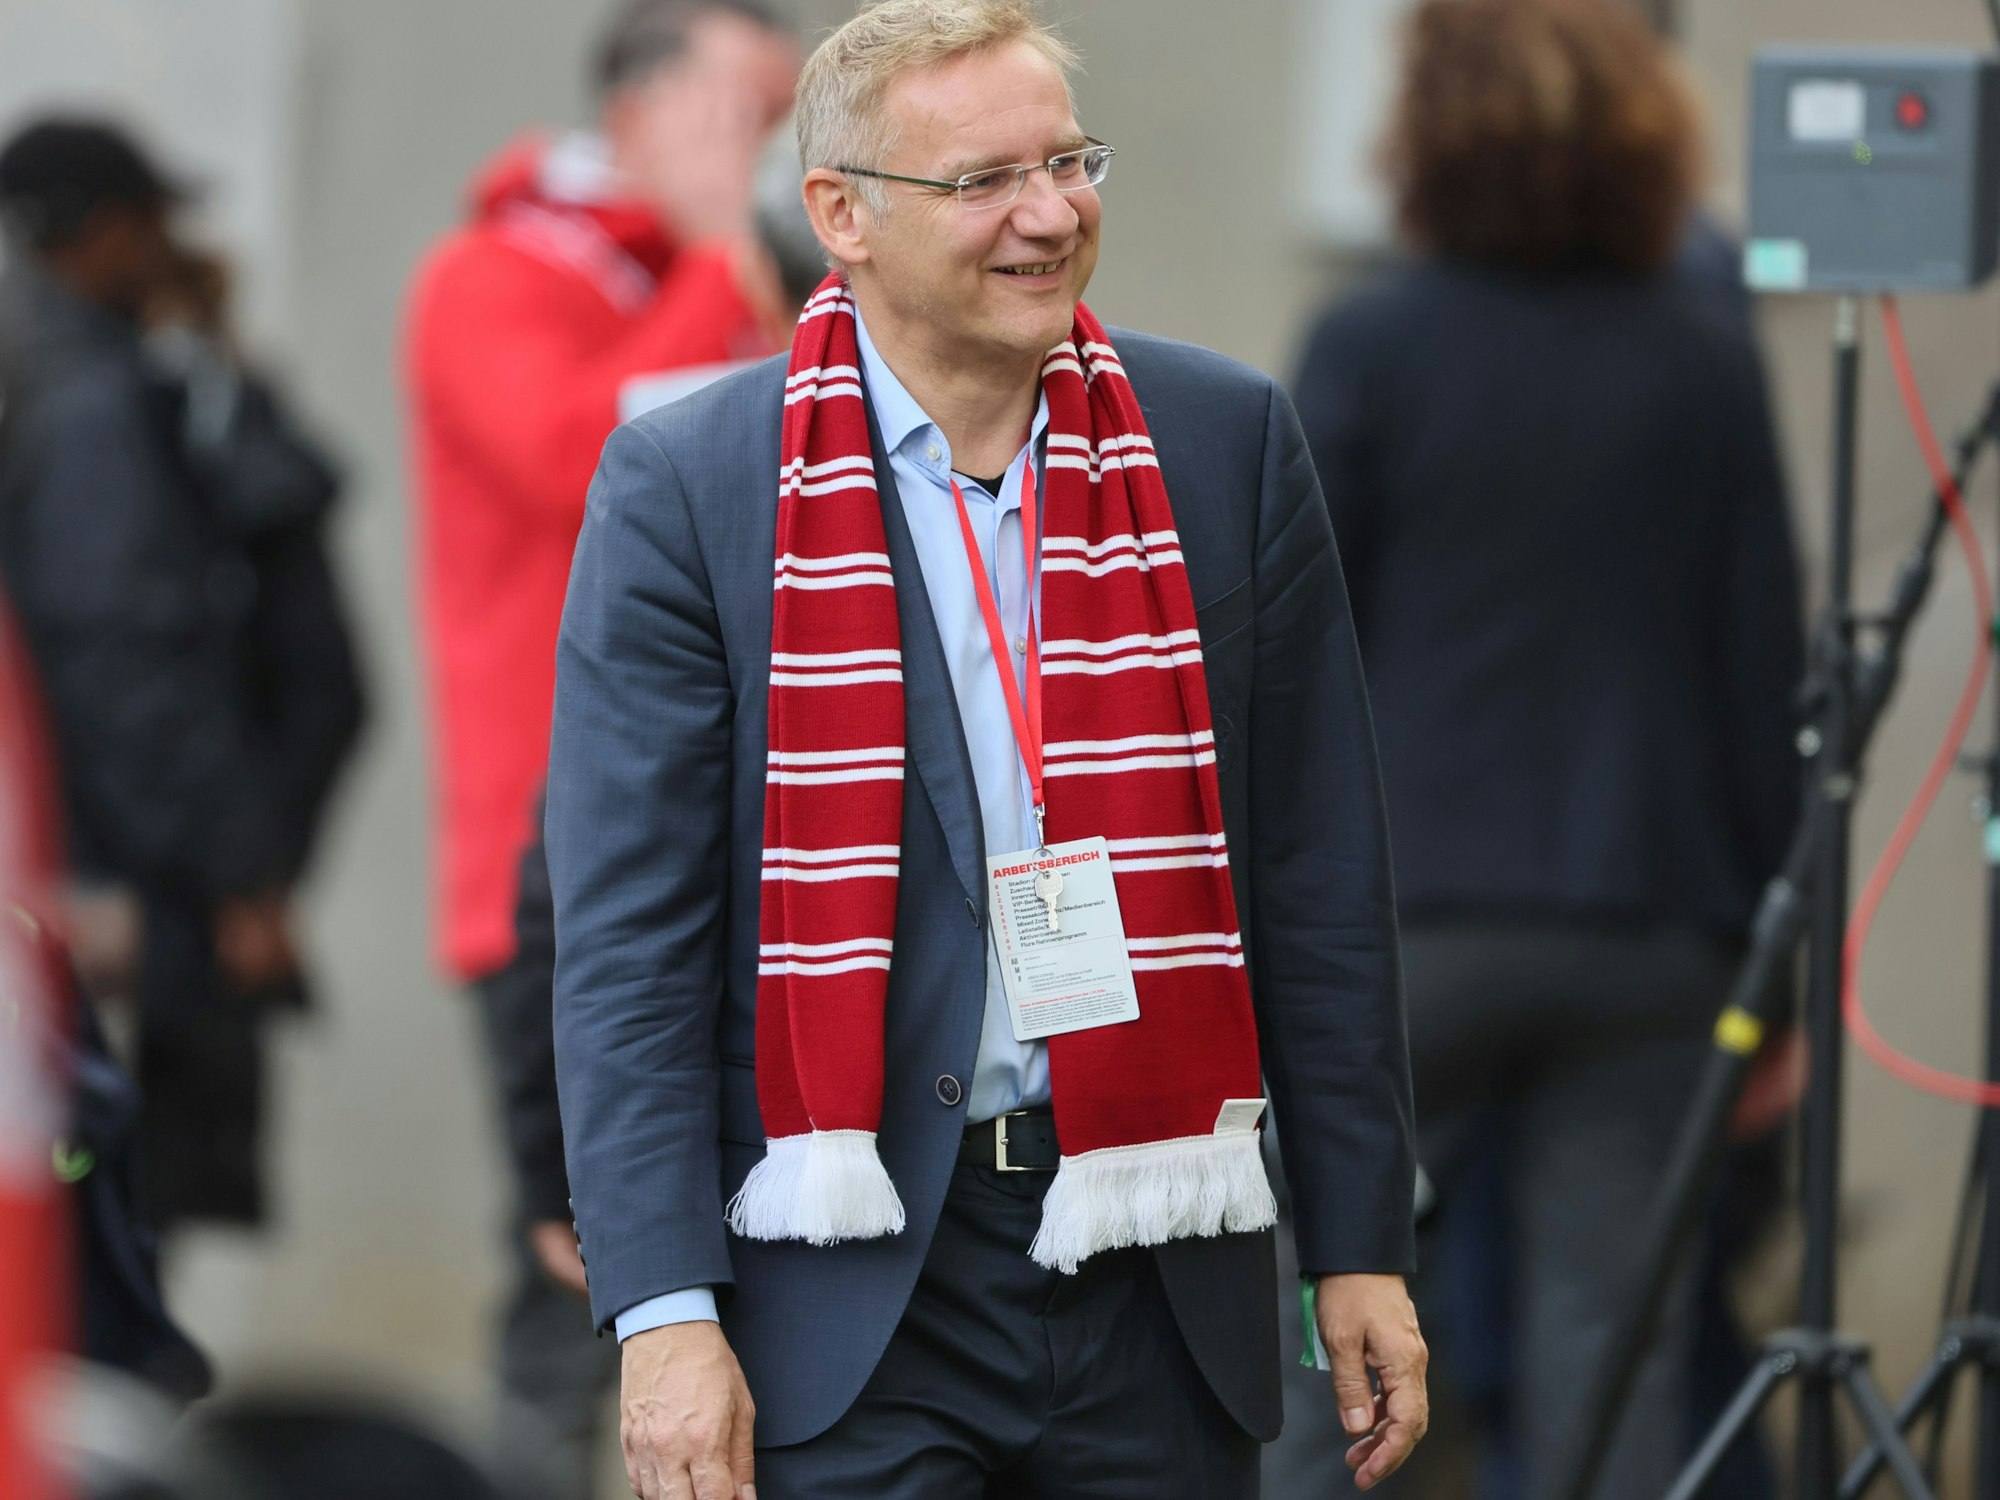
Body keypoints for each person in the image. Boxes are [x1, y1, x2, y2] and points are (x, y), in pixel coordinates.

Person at [547, 3, 1427, 1496]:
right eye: (983, 181)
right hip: (848, 1288)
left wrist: (1357, 1245)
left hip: (1154, 1260)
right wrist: (664, 1313)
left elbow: (1317, 876)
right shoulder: (691, 490)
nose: (1050, 214)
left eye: (1067, 162)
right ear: (843, 216)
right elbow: (631, 941)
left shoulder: (1223, 443)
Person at [1275, 1, 1805, 1495]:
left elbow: (1288, 652)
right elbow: (1763, 663)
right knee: (1611, 1355)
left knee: (1322, 1338)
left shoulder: (1371, 341)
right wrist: (1780, 974)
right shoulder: (1702, 354)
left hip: (1408, 929)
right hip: (1652, 922)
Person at [403, 3, 799, 1494]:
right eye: (747, 112)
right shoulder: (494, 273)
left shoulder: (770, 277)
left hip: (762, 843)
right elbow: (592, 464)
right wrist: (717, 257)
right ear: (637, 112)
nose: (779, 152)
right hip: (556, 860)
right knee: (585, 1269)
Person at [0, 118, 357, 1230]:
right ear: (103, 231)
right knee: (105, 1239)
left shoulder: (82, 370)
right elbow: (127, 664)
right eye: (155, 221)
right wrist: (235, 874)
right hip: (114, 891)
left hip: (98, 870)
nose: (175, 247)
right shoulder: (90, 401)